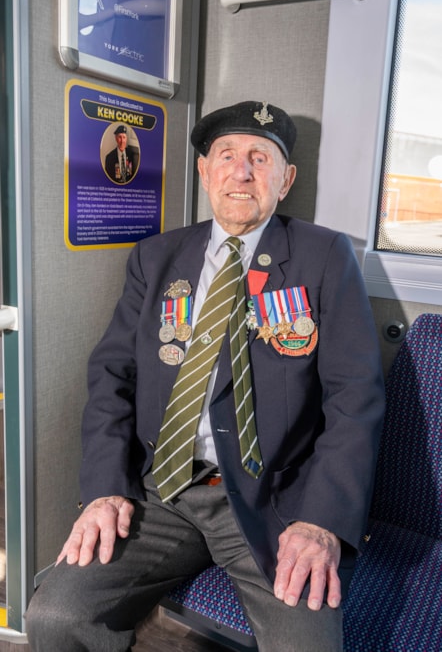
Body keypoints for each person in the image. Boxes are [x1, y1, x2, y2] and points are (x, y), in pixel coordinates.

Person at [26, 101, 385, 651]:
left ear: (285, 180)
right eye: (227, 155)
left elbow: (355, 399)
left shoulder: (324, 256)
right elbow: (111, 377)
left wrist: (322, 522)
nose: (242, 172)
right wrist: (103, 490)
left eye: (260, 158)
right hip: (161, 490)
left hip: (274, 500)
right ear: (204, 170)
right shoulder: (157, 257)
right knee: (55, 616)